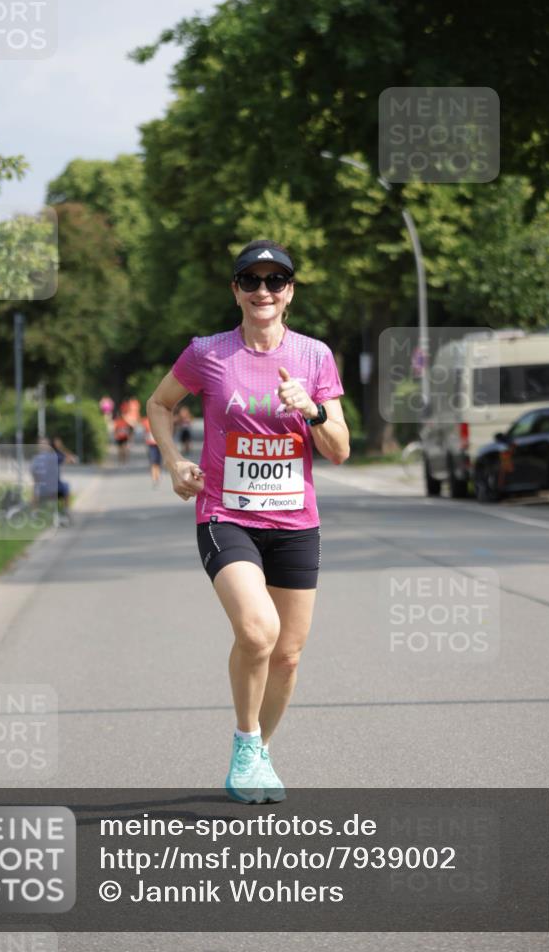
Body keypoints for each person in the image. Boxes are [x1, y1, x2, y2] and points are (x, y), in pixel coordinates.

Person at [147, 239, 350, 804]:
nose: (264, 291)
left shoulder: (314, 358)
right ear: (235, 290)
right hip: (225, 513)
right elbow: (159, 404)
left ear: (290, 292)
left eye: (275, 281)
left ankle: (256, 753)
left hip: (294, 521)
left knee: (287, 653)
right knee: (258, 631)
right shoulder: (208, 353)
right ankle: (245, 740)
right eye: (252, 280)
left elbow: (339, 449)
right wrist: (174, 461)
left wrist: (309, 409)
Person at [142, 415, 162, 487]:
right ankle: (154, 478)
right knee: (153, 462)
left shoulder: (159, 420)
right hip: (151, 445)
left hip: (159, 445)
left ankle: (158, 476)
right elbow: (145, 433)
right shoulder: (146, 421)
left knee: (158, 462)